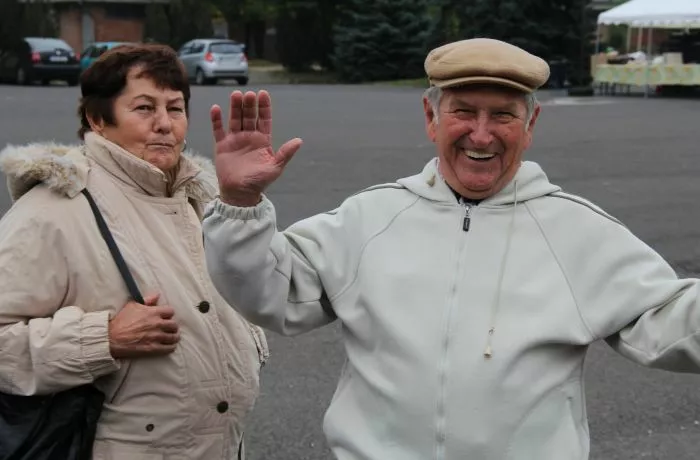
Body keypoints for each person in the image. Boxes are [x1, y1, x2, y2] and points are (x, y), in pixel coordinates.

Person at [202, 37, 700, 459]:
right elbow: (272, 290)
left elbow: (667, 319)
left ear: (530, 125)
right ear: (431, 116)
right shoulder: (370, 218)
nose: (481, 135)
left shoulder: (577, 231)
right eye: (463, 111)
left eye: (502, 115)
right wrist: (241, 204)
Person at [0, 43, 267, 459]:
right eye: (144, 108)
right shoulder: (53, 211)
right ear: (97, 119)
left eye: (175, 108)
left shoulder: (200, 198)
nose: (164, 124)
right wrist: (102, 338)